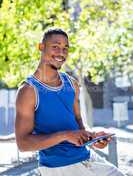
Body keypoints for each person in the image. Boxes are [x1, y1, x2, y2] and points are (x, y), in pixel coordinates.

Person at [15, 28, 124, 176]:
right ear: (41, 47)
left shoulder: (71, 84)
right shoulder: (28, 91)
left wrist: (92, 138)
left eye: (65, 48)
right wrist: (65, 135)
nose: (61, 53)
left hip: (88, 158)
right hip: (58, 168)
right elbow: (23, 144)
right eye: (55, 47)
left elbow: (77, 121)